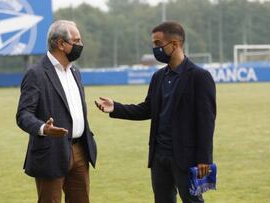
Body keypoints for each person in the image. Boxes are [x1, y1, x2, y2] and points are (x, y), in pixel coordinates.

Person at [95, 21, 216, 203]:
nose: (155, 49)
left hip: (186, 157)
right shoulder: (158, 77)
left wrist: (204, 160)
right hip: (159, 156)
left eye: (158, 44)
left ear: (175, 44)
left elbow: (206, 122)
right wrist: (116, 107)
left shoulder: (199, 77)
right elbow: (147, 109)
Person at [16, 20, 97, 203]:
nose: (80, 45)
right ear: (61, 44)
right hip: (50, 151)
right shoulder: (36, 74)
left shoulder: (75, 71)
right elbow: (23, 114)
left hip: (80, 149)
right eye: (76, 41)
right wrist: (43, 128)